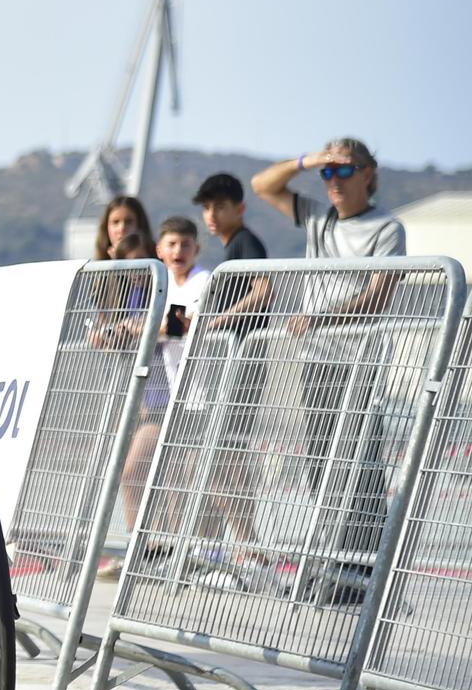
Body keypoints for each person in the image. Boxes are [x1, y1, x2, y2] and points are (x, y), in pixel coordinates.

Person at [250, 138, 407, 601]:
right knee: (323, 464)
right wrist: (310, 161)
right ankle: (335, 566)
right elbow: (262, 185)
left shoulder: (387, 228)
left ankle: (364, 572)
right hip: (314, 360)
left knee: (359, 462)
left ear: (367, 174)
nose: (334, 181)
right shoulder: (318, 217)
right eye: (328, 173)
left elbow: (380, 296)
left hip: (356, 360)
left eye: (344, 170)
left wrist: (321, 317)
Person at [99, 217, 210, 581]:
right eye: (172, 245)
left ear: (197, 248)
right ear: (160, 251)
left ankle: (204, 553)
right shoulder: (163, 286)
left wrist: (145, 328)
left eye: (186, 245)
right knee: (151, 475)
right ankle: (152, 551)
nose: (178, 252)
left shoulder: (202, 281)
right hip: (177, 398)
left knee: (204, 481)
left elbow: (185, 323)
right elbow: (165, 325)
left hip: (204, 395)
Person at [192, 173, 272, 551]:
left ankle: (247, 542)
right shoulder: (231, 248)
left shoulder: (245, 243)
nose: (212, 214)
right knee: (222, 454)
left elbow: (264, 288)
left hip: (244, 366)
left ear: (239, 208)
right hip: (229, 367)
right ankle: (237, 542)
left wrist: (221, 319)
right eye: (207, 207)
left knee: (227, 455)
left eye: (220, 206)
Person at [94, 195, 153, 262]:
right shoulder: (95, 267)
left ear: (140, 225)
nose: (122, 228)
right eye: (115, 222)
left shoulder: (154, 265)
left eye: (128, 222)